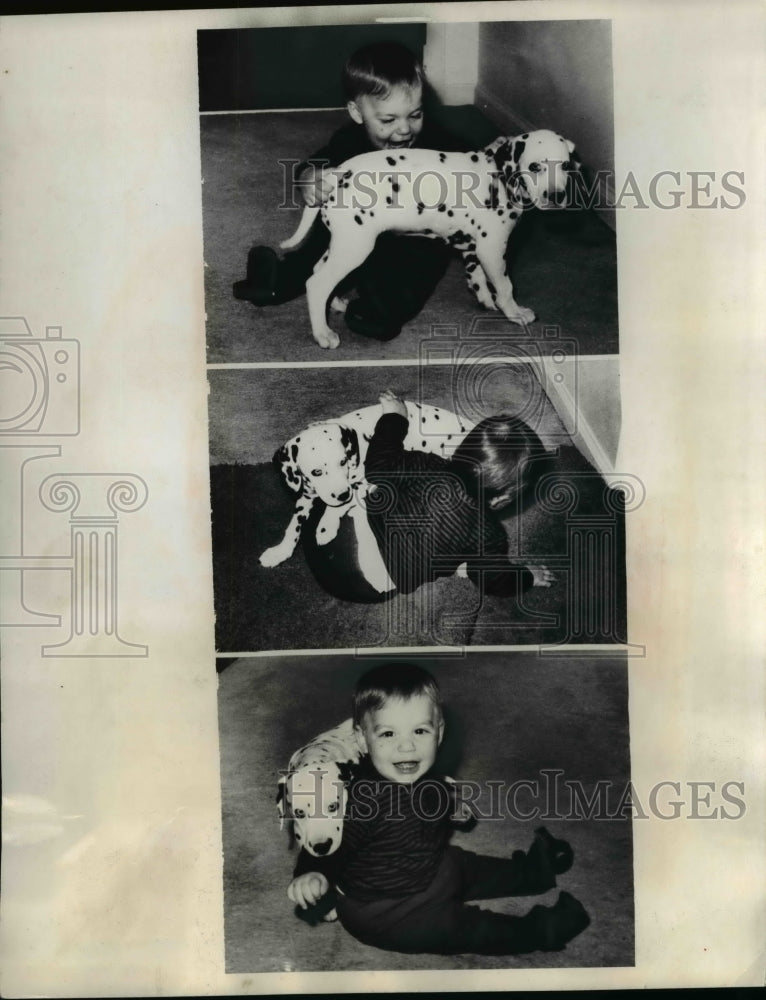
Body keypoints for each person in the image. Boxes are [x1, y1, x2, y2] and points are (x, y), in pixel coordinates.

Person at [287, 663, 590, 955]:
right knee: (467, 929)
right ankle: (540, 931)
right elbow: (328, 849)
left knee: (470, 866)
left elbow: (433, 795)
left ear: (439, 733)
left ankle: (534, 871)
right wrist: (312, 874)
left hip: (431, 863)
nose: (407, 747)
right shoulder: (361, 799)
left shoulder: (421, 772)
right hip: (385, 910)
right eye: (388, 734)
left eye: (419, 732)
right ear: (362, 739)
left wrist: (451, 805)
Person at [233, 41, 470, 341]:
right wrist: (309, 178)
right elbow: (318, 161)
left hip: (411, 239)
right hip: (353, 228)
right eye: (388, 120)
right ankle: (277, 276)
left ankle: (381, 303)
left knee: (414, 270)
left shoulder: (437, 142)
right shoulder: (350, 141)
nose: (405, 130)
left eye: (415, 114)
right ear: (357, 113)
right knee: (320, 235)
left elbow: (470, 159)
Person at [362, 390, 555, 596]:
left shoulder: (428, 466)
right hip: (391, 579)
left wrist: (395, 417)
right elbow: (496, 582)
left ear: (460, 449)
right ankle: (465, 559)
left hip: (364, 530)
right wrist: (527, 576)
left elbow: (376, 467)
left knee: (382, 482)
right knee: (473, 553)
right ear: (503, 498)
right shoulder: (489, 536)